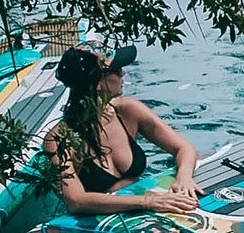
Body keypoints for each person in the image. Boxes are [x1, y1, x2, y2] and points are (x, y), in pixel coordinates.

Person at [47, 45, 201, 215]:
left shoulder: (128, 110)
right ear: (98, 82)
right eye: (117, 70)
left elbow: (184, 148)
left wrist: (184, 178)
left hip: (143, 208)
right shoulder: (58, 139)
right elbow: (76, 201)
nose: (123, 74)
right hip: (101, 219)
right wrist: (149, 201)